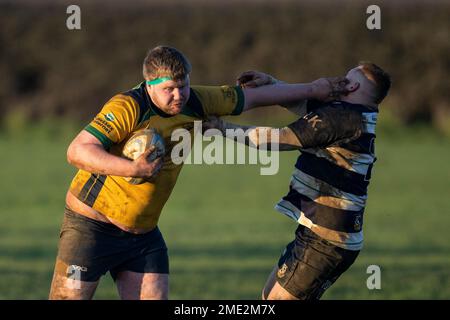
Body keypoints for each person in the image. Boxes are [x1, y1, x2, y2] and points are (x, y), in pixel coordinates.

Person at [49, 45, 349, 300]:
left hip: (142, 237)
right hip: (91, 228)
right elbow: (77, 150)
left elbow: (255, 98)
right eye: (169, 89)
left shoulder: (197, 101)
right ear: (150, 84)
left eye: (183, 86)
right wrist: (133, 168)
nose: (178, 95)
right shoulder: (128, 106)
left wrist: (313, 89)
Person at [204, 62, 391, 300]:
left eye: (346, 77)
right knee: (267, 297)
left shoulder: (342, 118)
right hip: (322, 233)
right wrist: (271, 83)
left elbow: (281, 138)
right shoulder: (355, 115)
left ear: (352, 85)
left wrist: (222, 128)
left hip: (327, 239)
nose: (340, 80)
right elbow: (305, 103)